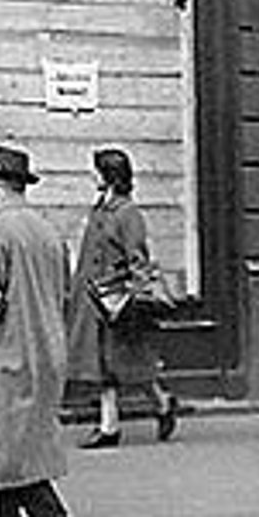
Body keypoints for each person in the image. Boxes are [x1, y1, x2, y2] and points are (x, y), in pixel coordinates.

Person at [0, 145, 72, 517]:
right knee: (23, 466)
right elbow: (64, 294)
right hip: (47, 355)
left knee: (2, 470)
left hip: (7, 361)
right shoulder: (50, 233)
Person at [66, 147, 180, 447]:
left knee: (127, 363)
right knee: (105, 365)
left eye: (96, 170)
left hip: (115, 301)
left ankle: (162, 404)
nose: (92, 175)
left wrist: (132, 297)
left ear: (108, 175)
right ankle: (110, 426)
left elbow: (139, 259)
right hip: (94, 301)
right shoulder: (101, 208)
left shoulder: (128, 213)